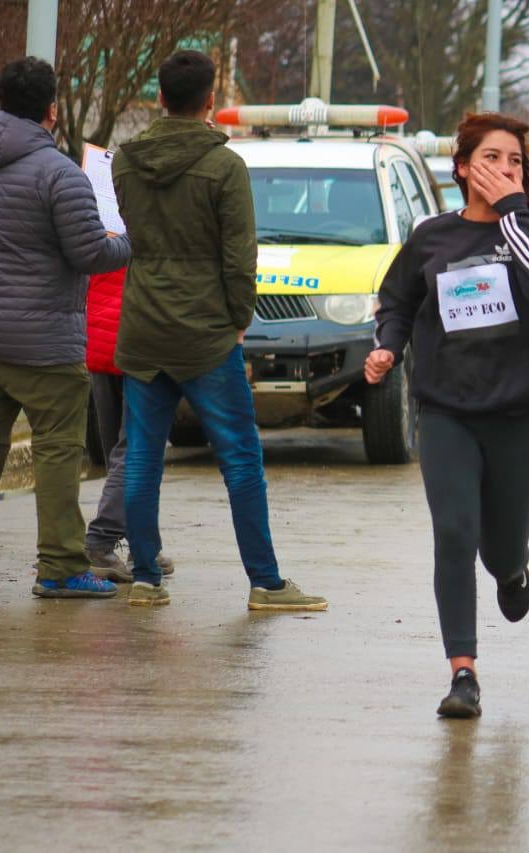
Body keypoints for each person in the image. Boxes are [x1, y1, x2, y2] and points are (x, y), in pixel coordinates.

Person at [365, 112, 529, 718]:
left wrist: (513, 207)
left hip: (516, 415)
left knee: (500, 550)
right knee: (455, 534)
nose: (505, 170)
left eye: (514, 161)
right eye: (492, 158)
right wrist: (387, 345)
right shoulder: (432, 236)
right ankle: (464, 673)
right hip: (446, 411)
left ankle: (513, 572)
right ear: (462, 167)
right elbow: (398, 299)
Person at [113, 50, 326, 610]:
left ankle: (144, 577)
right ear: (211, 102)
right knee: (240, 459)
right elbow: (239, 257)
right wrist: (238, 318)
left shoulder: (125, 163)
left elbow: (136, 236)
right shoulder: (225, 166)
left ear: (159, 97)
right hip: (207, 331)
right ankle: (266, 582)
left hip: (143, 327)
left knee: (141, 457)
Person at [0, 56, 130, 599]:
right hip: (45, 345)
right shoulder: (60, 174)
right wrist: (127, 241)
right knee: (56, 452)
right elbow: (92, 253)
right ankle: (61, 567)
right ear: (51, 110)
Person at [84, 268, 176, 582]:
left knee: (119, 451)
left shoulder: (99, 220)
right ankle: (101, 540)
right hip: (140, 341)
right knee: (138, 450)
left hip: (99, 340)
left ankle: (143, 545)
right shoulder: (150, 223)